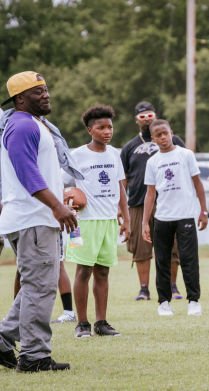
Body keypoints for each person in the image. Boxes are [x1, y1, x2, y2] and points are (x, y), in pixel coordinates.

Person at [0, 71, 80, 372]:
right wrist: (57, 206)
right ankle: (34, 356)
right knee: (39, 288)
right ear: (20, 99)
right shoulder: (21, 126)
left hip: (35, 217)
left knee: (38, 285)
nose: (45, 95)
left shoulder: (34, 124)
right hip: (32, 218)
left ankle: (3, 339)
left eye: (45, 89)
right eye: (37, 91)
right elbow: (27, 173)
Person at [65, 105, 130, 338]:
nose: (107, 131)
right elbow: (63, 185)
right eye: (101, 127)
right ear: (90, 130)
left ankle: (101, 322)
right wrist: (70, 198)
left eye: (109, 127)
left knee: (103, 272)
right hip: (85, 222)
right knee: (83, 271)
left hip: (108, 222)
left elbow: (120, 188)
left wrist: (126, 218)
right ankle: (82, 324)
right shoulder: (77, 155)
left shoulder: (114, 154)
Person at [142, 119, 208, 316]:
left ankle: (194, 301)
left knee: (189, 260)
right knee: (161, 261)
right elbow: (150, 194)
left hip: (185, 215)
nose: (163, 137)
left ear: (171, 132)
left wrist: (203, 211)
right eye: (158, 135)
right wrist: (145, 221)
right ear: (153, 139)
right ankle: (163, 302)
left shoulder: (185, 155)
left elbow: (198, 184)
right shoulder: (152, 162)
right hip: (162, 218)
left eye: (165, 133)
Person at [120, 101, 184, 301]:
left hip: (170, 201)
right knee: (141, 248)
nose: (147, 119)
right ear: (136, 120)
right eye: (142, 116)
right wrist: (121, 208)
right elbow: (123, 178)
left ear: (156, 116)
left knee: (173, 247)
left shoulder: (175, 141)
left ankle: (173, 287)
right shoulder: (130, 146)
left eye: (150, 115)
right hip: (139, 202)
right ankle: (144, 289)